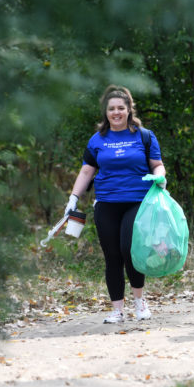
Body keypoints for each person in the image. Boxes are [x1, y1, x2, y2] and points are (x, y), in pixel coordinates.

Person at [63, 85, 167, 323]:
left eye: (121, 107)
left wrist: (161, 177)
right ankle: (117, 310)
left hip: (138, 202)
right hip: (106, 203)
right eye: (112, 109)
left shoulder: (144, 136)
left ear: (129, 109)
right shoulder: (97, 140)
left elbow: (157, 164)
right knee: (111, 256)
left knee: (129, 249)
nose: (116, 112)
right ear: (106, 112)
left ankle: (140, 303)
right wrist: (73, 198)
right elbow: (87, 171)